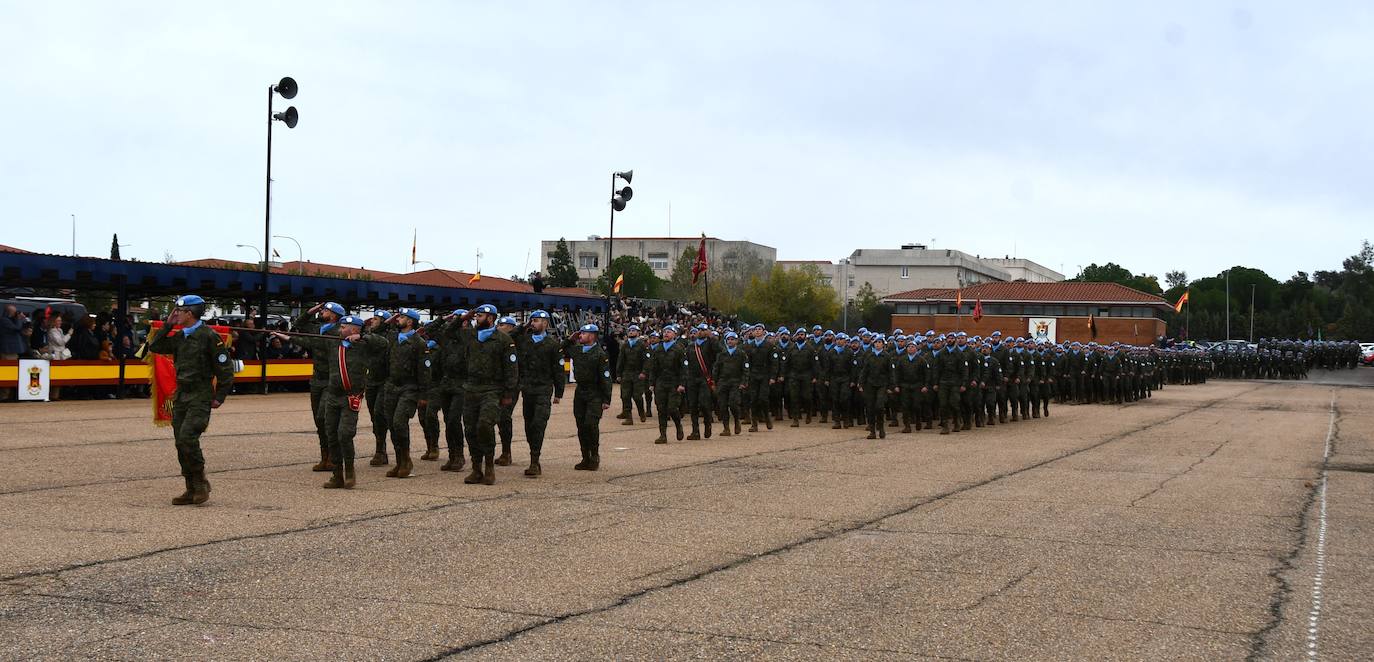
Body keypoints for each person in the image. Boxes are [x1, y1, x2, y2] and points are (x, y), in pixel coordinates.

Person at [146, 295, 234, 505]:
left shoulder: (209, 336)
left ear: (190, 313)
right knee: (180, 442)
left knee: (187, 438)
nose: (175, 314)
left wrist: (220, 396)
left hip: (200, 395)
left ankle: (200, 483)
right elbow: (155, 347)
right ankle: (190, 487)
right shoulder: (180, 336)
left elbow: (225, 369)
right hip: (182, 396)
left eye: (179, 311)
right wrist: (167, 325)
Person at [455, 304, 519, 485]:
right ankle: (476, 469)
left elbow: (511, 368)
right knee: (470, 430)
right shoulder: (470, 335)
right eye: (476, 316)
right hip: (471, 389)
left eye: (480, 316)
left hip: (492, 390)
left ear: (490, 318)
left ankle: (489, 466)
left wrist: (508, 393)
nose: (476, 318)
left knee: (485, 425)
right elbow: (448, 332)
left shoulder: (504, 339)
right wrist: (463, 317)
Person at [378, 308, 431, 478]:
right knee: (392, 425)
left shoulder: (419, 343)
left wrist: (423, 395)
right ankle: (399, 462)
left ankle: (406, 460)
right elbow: (377, 331)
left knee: (399, 422)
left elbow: (424, 371)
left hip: (409, 388)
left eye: (401, 317)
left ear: (410, 322)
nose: (398, 319)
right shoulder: (393, 338)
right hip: (391, 387)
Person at [512, 309, 565, 477]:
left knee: (538, 424)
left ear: (545, 323)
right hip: (527, 390)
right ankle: (533, 455)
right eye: (532, 320)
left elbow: (558, 370)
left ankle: (534, 461)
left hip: (543, 390)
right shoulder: (524, 340)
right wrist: (523, 326)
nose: (533, 323)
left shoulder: (553, 345)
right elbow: (509, 338)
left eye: (536, 321)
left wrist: (559, 392)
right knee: (529, 426)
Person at [296, 302, 346, 473]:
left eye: (325, 310)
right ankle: (325, 457)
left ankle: (334, 456)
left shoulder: (339, 331)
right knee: (319, 421)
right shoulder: (318, 329)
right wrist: (310, 311)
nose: (322, 312)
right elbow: (299, 325)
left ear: (334, 315)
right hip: (316, 381)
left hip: (331, 381)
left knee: (325, 418)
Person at [570, 323, 612, 470]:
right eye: (580, 333)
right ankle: (585, 457)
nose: (580, 336)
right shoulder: (577, 350)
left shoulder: (600, 354)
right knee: (581, 426)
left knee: (591, 425)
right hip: (580, 392)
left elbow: (605, 377)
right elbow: (560, 350)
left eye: (583, 333)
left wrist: (606, 399)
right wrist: (570, 339)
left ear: (592, 336)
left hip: (595, 393)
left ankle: (594, 456)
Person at [647, 324, 688, 443]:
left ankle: (678, 425)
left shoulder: (679, 348)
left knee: (672, 408)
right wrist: (652, 383)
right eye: (665, 332)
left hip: (674, 382)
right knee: (661, 409)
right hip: (660, 382)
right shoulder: (658, 349)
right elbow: (653, 367)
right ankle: (663, 435)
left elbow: (684, 368)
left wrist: (682, 384)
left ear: (675, 335)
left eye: (669, 332)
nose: (666, 334)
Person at [712, 331, 749, 436]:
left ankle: (737, 421)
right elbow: (716, 368)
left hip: (735, 382)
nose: (730, 341)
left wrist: (744, 382)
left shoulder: (741, 354)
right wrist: (714, 382)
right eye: (728, 339)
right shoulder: (721, 354)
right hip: (723, 382)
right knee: (722, 405)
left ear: (736, 341)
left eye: (732, 339)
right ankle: (726, 428)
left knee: (733, 404)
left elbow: (745, 369)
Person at [617, 324, 650, 424]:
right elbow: (620, 360)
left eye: (633, 330)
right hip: (626, 373)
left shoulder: (642, 345)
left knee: (637, 396)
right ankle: (629, 418)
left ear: (638, 333)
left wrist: (644, 372)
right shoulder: (625, 345)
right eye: (630, 330)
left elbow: (646, 361)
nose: (631, 332)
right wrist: (619, 374)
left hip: (638, 373)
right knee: (625, 396)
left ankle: (641, 412)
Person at [1, 305, 28, 401]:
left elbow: (24, 327)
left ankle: (10, 396)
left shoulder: (12, 320)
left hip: (13, 351)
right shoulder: (4, 320)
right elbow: (17, 328)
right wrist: (19, 319)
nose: (16, 313)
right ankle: (4, 396)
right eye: (14, 312)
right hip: (7, 351)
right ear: (9, 312)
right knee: (7, 373)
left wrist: (24, 319)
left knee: (13, 374)